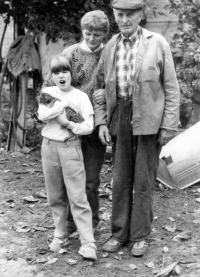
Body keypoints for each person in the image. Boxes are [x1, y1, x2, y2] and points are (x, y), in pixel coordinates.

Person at [94, 0, 180, 256]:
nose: (125, 19)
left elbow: (172, 87)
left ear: (140, 15)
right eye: (120, 15)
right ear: (115, 16)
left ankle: (141, 236)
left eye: (130, 14)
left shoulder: (157, 43)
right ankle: (119, 233)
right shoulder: (110, 46)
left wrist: (168, 125)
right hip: (119, 116)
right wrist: (101, 121)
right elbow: (99, 88)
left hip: (149, 119)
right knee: (120, 179)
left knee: (143, 180)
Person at [43, 10, 109, 234]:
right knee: (69, 176)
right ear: (82, 31)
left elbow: (118, 83)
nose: (91, 38)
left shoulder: (110, 54)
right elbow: (51, 86)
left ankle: (92, 221)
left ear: (104, 35)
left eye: (97, 35)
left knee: (91, 177)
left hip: (95, 125)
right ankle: (70, 222)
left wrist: (106, 92)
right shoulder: (70, 53)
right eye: (88, 33)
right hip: (69, 126)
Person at [37, 55, 97, 260]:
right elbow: (42, 116)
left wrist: (68, 123)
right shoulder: (48, 92)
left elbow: (88, 127)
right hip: (48, 147)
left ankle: (88, 243)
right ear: (52, 76)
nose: (61, 76)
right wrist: (61, 107)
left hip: (70, 147)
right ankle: (60, 234)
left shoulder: (81, 97)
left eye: (65, 71)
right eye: (56, 72)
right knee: (54, 195)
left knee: (77, 196)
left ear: (72, 74)